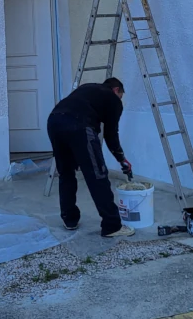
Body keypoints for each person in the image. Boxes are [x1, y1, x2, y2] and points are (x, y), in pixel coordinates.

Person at [47, 77, 135, 237]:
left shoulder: (87, 88)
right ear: (116, 90)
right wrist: (121, 158)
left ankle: (70, 219)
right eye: (121, 95)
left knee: (66, 173)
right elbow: (110, 135)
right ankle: (112, 226)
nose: (120, 99)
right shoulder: (113, 99)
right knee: (98, 175)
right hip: (79, 125)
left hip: (54, 120)